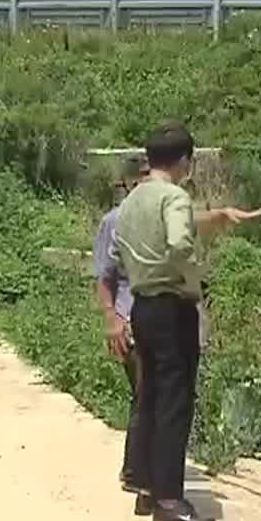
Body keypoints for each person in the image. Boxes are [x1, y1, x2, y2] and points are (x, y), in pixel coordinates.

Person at [112, 123, 261, 521]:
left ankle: (146, 488)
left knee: (151, 396)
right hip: (171, 306)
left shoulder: (131, 201)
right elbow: (178, 242)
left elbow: (123, 248)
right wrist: (192, 282)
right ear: (184, 162)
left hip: (143, 306)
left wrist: (215, 217)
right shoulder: (175, 195)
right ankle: (170, 500)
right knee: (176, 401)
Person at [93, 158, 148, 495]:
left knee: (146, 395)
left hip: (158, 320)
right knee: (146, 393)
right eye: (140, 179)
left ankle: (140, 469)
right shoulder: (113, 221)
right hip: (130, 321)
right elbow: (104, 276)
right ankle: (136, 473)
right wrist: (112, 320)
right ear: (129, 184)